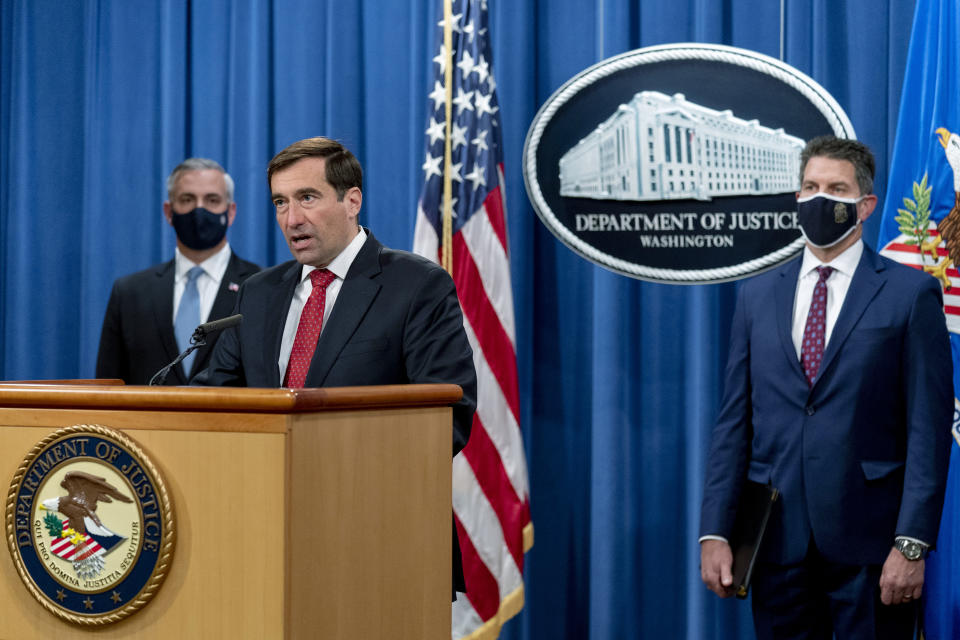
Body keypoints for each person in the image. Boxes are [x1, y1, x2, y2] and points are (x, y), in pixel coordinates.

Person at [194, 136, 477, 592]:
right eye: (280, 203)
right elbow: (216, 400)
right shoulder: (258, 292)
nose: (292, 219)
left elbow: (448, 417)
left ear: (352, 201)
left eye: (307, 198)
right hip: (261, 536)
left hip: (379, 541)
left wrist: (331, 468)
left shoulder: (416, 285)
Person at [699, 136, 953, 639]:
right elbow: (734, 423)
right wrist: (716, 531)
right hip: (777, 548)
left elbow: (928, 430)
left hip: (873, 552)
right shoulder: (757, 296)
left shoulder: (910, 294)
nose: (820, 198)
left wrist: (911, 546)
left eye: (836, 188)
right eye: (810, 186)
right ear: (797, 197)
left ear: (865, 205)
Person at [96, 158, 260, 385]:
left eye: (212, 200)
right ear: (168, 211)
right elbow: (107, 387)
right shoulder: (129, 292)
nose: (199, 209)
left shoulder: (262, 288)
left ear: (231, 212)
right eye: (187, 199)